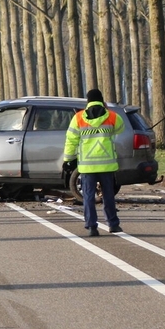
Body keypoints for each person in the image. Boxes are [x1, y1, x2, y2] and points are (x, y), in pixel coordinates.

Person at [62, 88, 124, 237]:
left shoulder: (78, 118)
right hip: (106, 165)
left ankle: (92, 227)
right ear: (102, 100)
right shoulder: (112, 116)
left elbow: (71, 140)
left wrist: (68, 159)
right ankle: (113, 224)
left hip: (87, 166)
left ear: (88, 101)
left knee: (89, 197)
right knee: (108, 195)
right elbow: (120, 129)